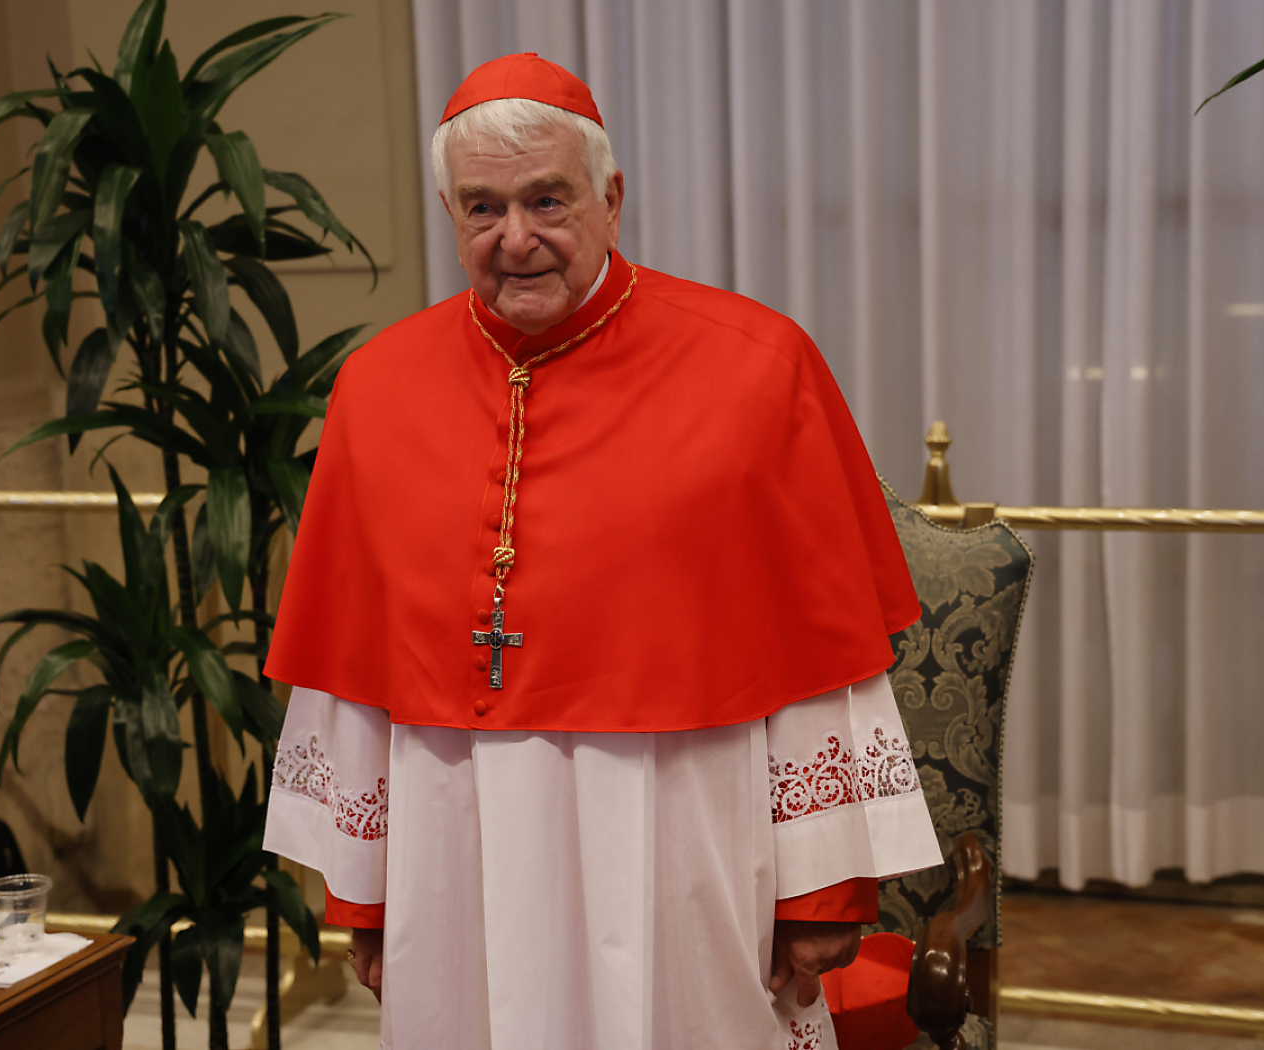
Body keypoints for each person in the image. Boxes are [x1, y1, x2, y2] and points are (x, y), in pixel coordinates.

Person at [262, 52, 941, 1050]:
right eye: (483, 208)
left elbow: (817, 652)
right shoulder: (376, 388)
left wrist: (822, 887)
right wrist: (364, 896)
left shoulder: (758, 368)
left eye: (547, 200)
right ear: (449, 211)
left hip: (682, 830)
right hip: (456, 844)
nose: (516, 238)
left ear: (611, 199)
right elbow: (352, 671)